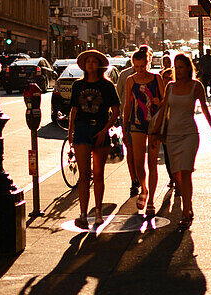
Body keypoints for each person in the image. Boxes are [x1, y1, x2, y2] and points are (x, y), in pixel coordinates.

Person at [152, 52, 211, 226]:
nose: (178, 70)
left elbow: (204, 108)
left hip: (189, 134)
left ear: (189, 68)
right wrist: (156, 132)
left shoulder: (196, 86)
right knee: (176, 174)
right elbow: (164, 110)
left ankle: (187, 210)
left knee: (186, 171)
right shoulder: (170, 87)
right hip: (172, 135)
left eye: (181, 67)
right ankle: (186, 202)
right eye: (176, 67)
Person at [68, 50, 120, 229]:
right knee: (84, 175)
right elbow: (74, 109)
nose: (90, 64)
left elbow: (116, 110)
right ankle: (83, 215)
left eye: (93, 61)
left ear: (99, 64)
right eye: (87, 61)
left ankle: (98, 212)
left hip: (100, 129)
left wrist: (105, 130)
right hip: (82, 130)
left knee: (98, 174)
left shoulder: (107, 86)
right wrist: (70, 132)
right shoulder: (77, 85)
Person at [122, 45, 165, 216]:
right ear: (133, 65)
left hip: (154, 124)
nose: (140, 70)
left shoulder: (157, 78)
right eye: (137, 67)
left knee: (152, 163)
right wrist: (125, 127)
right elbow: (127, 105)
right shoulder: (130, 80)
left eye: (143, 66)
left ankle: (152, 201)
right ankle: (144, 189)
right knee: (138, 163)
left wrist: (158, 101)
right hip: (136, 123)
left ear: (148, 63)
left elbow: (165, 101)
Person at [114, 58, 139, 197]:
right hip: (128, 117)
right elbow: (118, 96)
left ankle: (140, 177)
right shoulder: (125, 75)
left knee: (139, 151)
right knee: (130, 148)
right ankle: (134, 180)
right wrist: (118, 115)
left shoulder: (151, 76)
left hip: (143, 119)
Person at [159, 54, 176, 189]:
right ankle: (172, 177)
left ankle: (177, 178)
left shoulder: (176, 90)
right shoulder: (159, 91)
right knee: (167, 154)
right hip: (165, 127)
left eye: (169, 78)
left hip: (177, 126)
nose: (167, 80)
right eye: (165, 78)